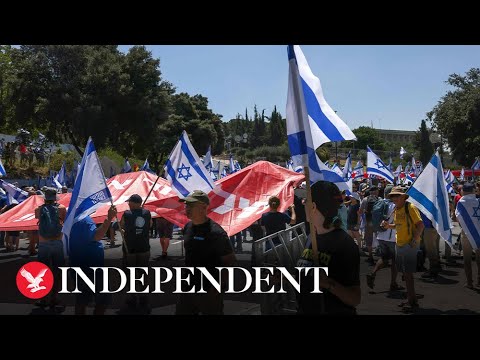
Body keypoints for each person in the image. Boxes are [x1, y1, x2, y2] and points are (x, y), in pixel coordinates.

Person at [297, 181, 361, 315]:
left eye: (305, 201)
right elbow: (308, 278)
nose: (303, 204)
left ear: (313, 206)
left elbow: (354, 299)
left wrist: (328, 284)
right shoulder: (312, 237)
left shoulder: (344, 244)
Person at [176, 190, 236, 315]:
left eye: (191, 205)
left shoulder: (216, 233)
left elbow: (229, 262)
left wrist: (218, 287)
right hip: (188, 286)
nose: (187, 208)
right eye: (186, 205)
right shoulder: (187, 227)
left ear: (203, 207)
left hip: (210, 289)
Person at [381, 186, 425, 312]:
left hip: (408, 245)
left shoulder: (410, 207)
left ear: (403, 197)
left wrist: (414, 240)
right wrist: (388, 225)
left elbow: (420, 225)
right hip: (399, 244)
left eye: (397, 196)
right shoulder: (396, 209)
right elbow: (398, 225)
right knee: (406, 274)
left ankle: (412, 302)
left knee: (408, 274)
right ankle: (411, 298)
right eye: (393, 196)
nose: (394, 198)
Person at [68, 205, 117, 315]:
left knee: (81, 299)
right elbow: (96, 236)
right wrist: (109, 219)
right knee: (103, 298)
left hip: (77, 263)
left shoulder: (71, 219)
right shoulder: (84, 220)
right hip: (91, 267)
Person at [34, 187, 67, 309]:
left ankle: (43, 298)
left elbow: (38, 220)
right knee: (57, 270)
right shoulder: (62, 208)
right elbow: (64, 221)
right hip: (57, 242)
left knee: (43, 271)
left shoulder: (38, 209)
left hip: (43, 243)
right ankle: (54, 297)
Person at [119, 194, 152, 313]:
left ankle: (132, 297)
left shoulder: (127, 214)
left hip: (130, 249)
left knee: (130, 273)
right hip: (144, 248)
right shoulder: (147, 213)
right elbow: (150, 225)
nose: (128, 204)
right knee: (143, 273)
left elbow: (121, 226)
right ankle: (144, 298)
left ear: (135, 202)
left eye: (130, 202)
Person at [366, 185, 402, 292]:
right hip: (392, 237)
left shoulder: (380, 203)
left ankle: (373, 274)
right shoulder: (395, 205)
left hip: (381, 235)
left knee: (385, 258)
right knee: (394, 261)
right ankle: (393, 284)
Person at [455, 182, 480, 289]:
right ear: (474, 190)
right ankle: (479, 281)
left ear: (463, 191)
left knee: (467, 259)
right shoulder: (478, 201)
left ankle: (469, 282)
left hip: (466, 233)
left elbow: (458, 218)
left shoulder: (461, 201)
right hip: (479, 232)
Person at [358, 185, 380, 265]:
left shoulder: (365, 199)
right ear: (376, 191)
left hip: (368, 222)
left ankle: (370, 257)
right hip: (378, 223)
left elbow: (360, 212)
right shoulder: (380, 199)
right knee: (379, 239)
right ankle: (382, 258)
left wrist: (358, 222)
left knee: (369, 239)